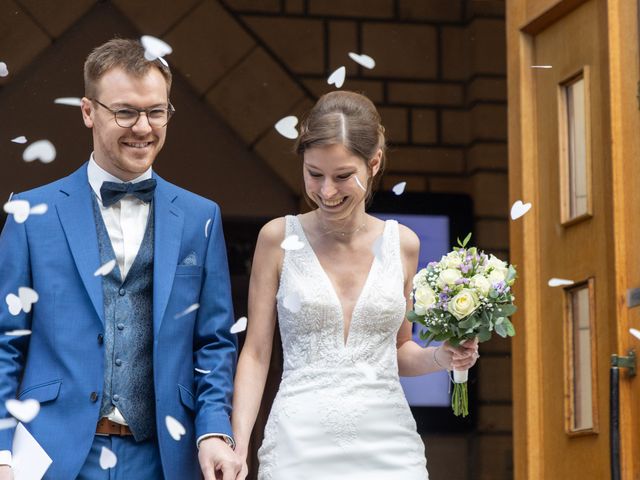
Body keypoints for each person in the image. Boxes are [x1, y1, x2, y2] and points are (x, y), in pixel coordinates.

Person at [0, 38, 241, 479]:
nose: (144, 128)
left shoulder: (200, 217)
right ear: (88, 112)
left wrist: (213, 432)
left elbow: (215, 342)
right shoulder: (31, 216)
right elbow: (4, 339)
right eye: (126, 112)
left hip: (165, 457)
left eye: (156, 111)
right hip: (52, 453)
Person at [231, 90, 480, 479]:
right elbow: (257, 354)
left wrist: (441, 358)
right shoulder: (277, 238)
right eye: (314, 174)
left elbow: (397, 350)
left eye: (343, 176)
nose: (327, 191)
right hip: (299, 443)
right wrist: (238, 445)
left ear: (374, 163)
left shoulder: (404, 245)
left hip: (389, 447)